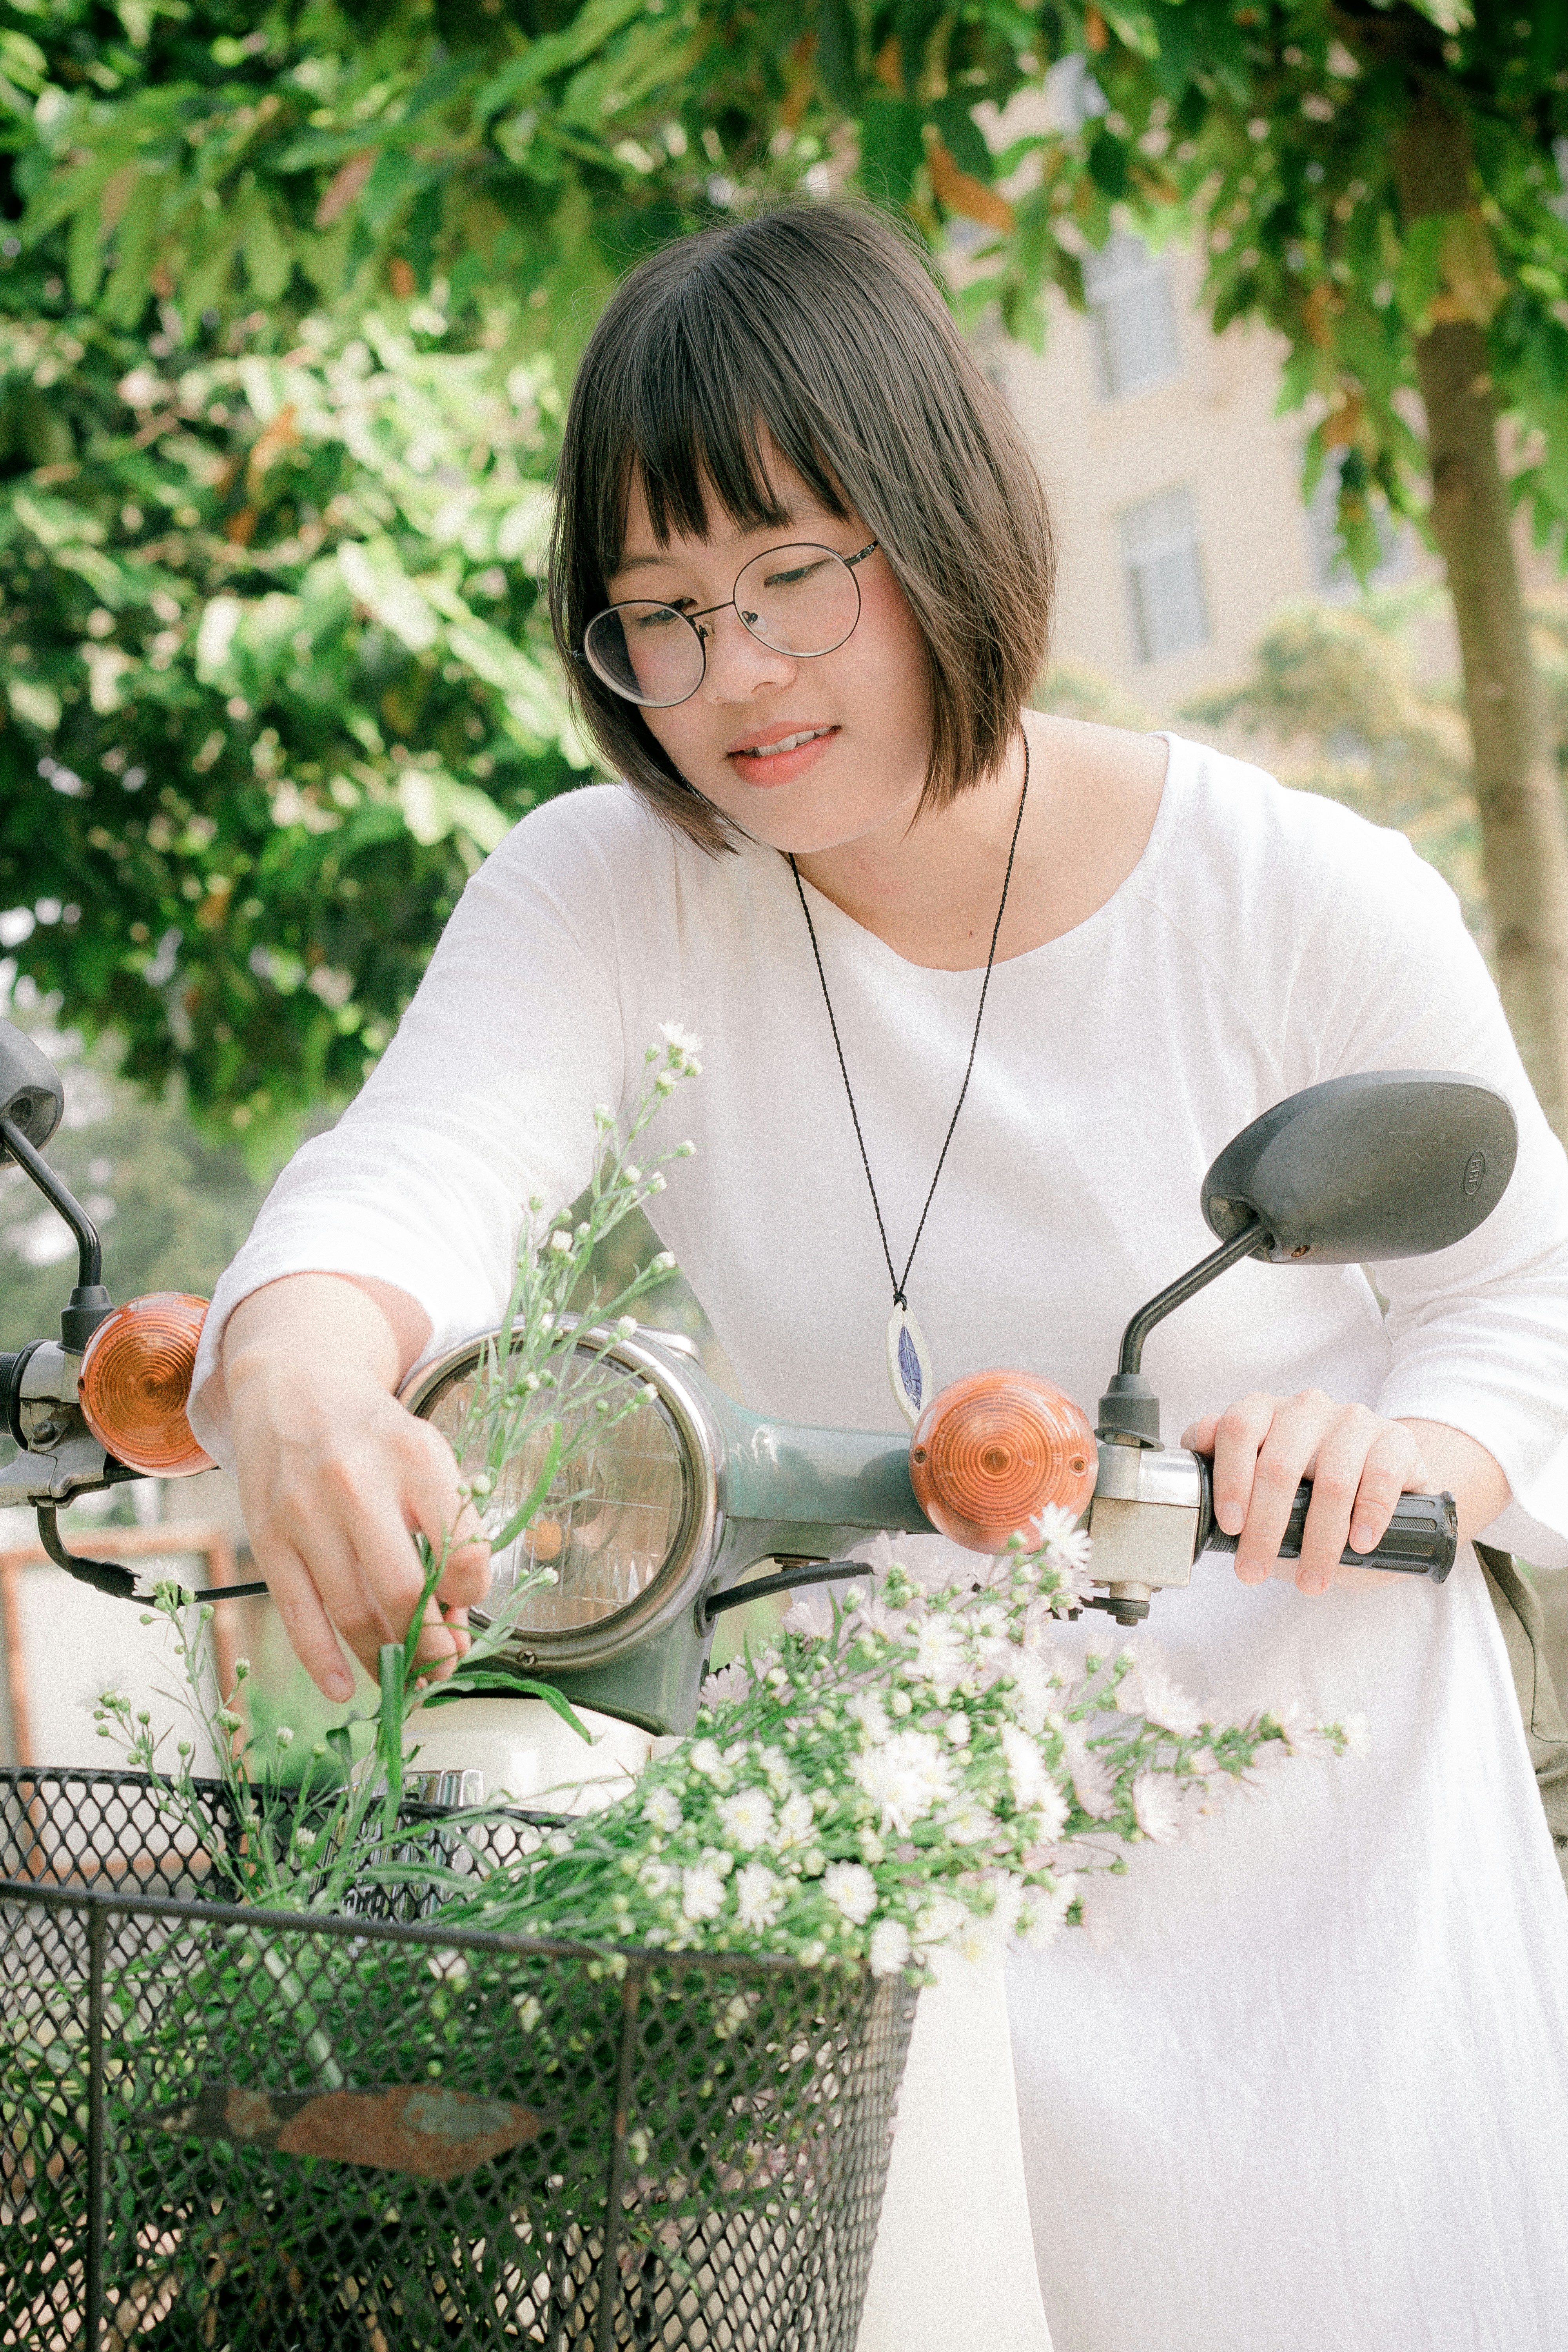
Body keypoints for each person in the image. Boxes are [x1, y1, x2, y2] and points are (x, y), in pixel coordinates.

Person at [190, 201, 1568, 2350]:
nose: (733, 674)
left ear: (942, 523)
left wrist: (1417, 1450)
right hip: (880, 1861)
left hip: (1320, 1862)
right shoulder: (615, 888)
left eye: (790, 578)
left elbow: (1529, 1296)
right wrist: (296, 1380)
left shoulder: (1295, 893)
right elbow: (411, 1173)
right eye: (661, 613)